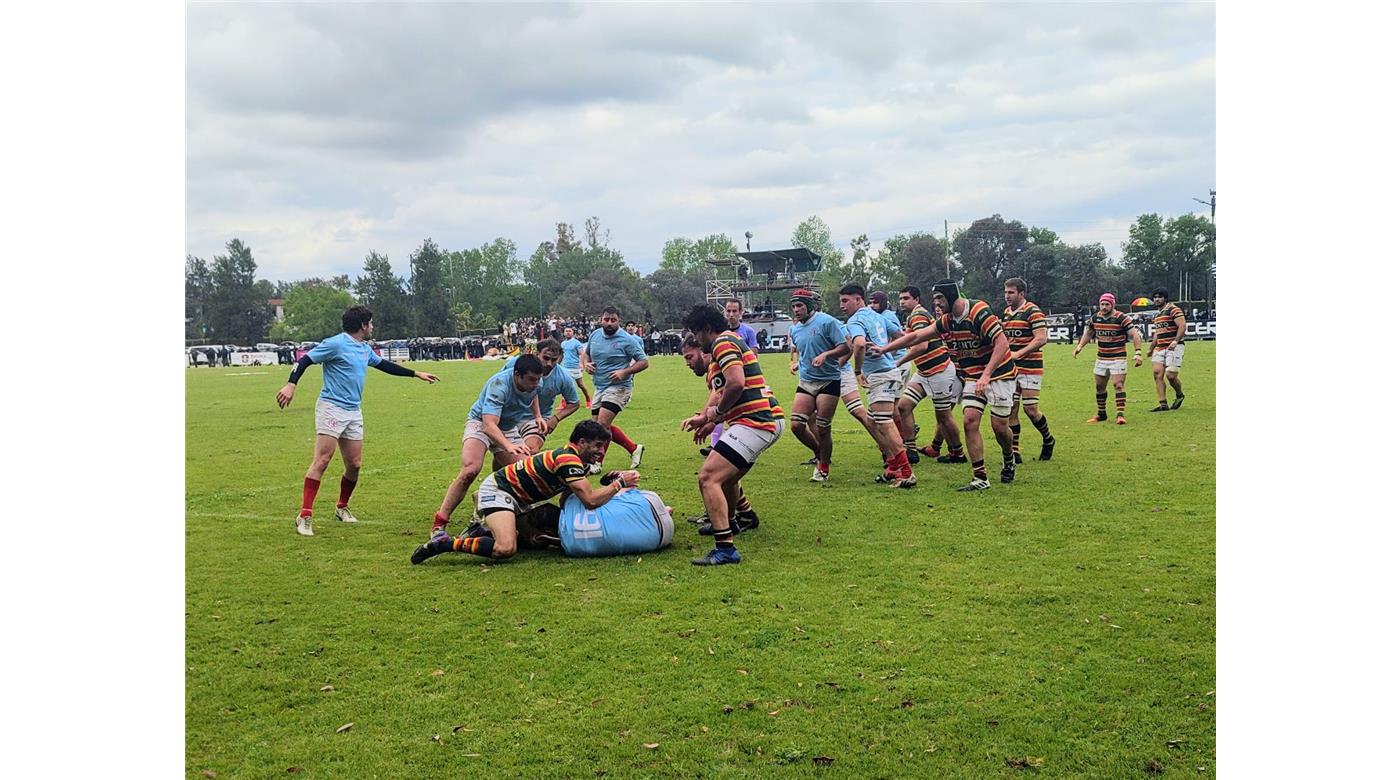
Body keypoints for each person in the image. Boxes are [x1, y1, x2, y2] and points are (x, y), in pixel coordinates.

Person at [276, 305, 440, 536]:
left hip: (353, 411)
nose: (372, 327)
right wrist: (291, 384)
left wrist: (415, 374)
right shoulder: (335, 343)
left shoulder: (364, 348)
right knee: (322, 460)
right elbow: (304, 361)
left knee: (354, 465)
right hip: (331, 408)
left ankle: (341, 507)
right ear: (363, 325)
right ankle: (304, 515)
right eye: (370, 323)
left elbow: (384, 366)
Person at [411, 420, 641, 563]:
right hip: (500, 492)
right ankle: (446, 544)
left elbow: (567, 499)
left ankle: (480, 530)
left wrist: (610, 479)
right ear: (581, 442)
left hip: (519, 500)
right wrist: (618, 484)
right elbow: (590, 501)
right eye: (598, 446)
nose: (602, 452)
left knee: (543, 536)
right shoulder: (568, 460)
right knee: (506, 548)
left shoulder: (577, 461)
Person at [874, 280, 1018, 491]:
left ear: (952, 295)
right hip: (972, 376)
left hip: (1000, 374)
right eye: (935, 299)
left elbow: (1002, 343)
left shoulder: (978, 310)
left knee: (999, 428)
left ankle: (1009, 457)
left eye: (940, 298)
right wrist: (883, 349)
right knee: (969, 420)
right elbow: (916, 336)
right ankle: (980, 478)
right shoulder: (947, 320)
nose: (937, 304)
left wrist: (986, 375)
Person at [679, 306, 783, 566]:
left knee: (708, 477)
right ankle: (733, 524)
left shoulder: (723, 342)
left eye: (696, 332)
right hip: (753, 421)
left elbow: (736, 383)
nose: (697, 339)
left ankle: (725, 549)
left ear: (705, 329)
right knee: (725, 479)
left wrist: (715, 413)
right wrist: (707, 418)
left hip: (754, 423)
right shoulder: (727, 343)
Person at [428, 353, 548, 536]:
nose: (535, 384)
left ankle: (499, 512)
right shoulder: (498, 385)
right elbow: (488, 425)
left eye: (538, 380)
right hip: (481, 423)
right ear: (517, 375)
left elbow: (534, 395)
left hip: (507, 427)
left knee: (525, 473)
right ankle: (439, 523)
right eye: (531, 380)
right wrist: (508, 446)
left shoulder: (536, 383)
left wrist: (538, 415)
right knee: (470, 470)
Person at [832, 283, 915, 488]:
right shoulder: (880, 317)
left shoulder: (855, 320)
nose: (842, 305)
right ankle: (894, 467)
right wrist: (887, 350)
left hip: (880, 375)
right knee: (874, 420)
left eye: (845, 300)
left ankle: (906, 473)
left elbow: (859, 344)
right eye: (840, 301)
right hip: (889, 372)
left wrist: (858, 371)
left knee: (884, 422)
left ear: (858, 299)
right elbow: (902, 338)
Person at [892, 286, 965, 467]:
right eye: (900, 298)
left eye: (906, 298)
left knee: (943, 416)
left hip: (938, 371)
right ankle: (910, 450)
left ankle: (958, 453)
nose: (902, 302)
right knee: (904, 406)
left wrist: (898, 362)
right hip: (925, 372)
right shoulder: (914, 316)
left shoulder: (918, 315)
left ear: (917, 299)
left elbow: (921, 346)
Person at [786, 288, 847, 482]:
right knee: (796, 425)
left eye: (800, 306)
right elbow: (802, 351)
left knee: (822, 427)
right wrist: (797, 363)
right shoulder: (794, 328)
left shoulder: (827, 322)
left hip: (829, 380)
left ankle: (824, 467)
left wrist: (826, 355)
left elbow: (846, 347)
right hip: (806, 381)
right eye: (794, 306)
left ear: (809, 306)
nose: (796, 309)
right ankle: (819, 452)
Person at [580, 306, 649, 472]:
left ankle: (596, 463)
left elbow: (644, 362)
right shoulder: (594, 335)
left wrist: (624, 372)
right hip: (600, 386)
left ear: (619, 321)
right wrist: (586, 364)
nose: (609, 323)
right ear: (600, 320)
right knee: (598, 426)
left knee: (602, 424)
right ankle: (634, 448)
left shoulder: (627, 339)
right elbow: (586, 353)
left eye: (613, 320)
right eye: (606, 319)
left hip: (620, 387)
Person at [1002, 277, 1055, 461]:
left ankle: (1048, 439)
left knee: (1031, 409)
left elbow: (1041, 339)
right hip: (1011, 368)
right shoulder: (1007, 313)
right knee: (1012, 408)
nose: (1007, 296)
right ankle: (1015, 451)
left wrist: (1019, 353)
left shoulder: (1033, 311)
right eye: (1006, 292)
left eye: (1011, 292)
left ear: (1021, 293)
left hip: (1031, 367)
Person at [497, 339, 582, 454]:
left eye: (554, 360)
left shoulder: (563, 377)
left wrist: (555, 419)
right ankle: (500, 472)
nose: (549, 364)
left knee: (530, 450)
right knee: (505, 454)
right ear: (537, 354)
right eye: (546, 358)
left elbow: (574, 403)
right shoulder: (517, 364)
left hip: (537, 419)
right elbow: (499, 383)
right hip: (510, 415)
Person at [1073, 293, 1144, 424]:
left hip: (1118, 357)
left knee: (1118, 385)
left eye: (1107, 304)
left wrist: (1138, 352)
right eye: (1102, 304)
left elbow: (1134, 335)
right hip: (1101, 357)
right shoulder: (1095, 318)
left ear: (1113, 305)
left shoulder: (1122, 318)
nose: (1104, 307)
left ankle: (1120, 415)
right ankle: (1101, 414)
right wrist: (1080, 346)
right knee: (1099, 387)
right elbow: (1089, 332)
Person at [705, 299, 761, 456]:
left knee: (731, 405)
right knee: (719, 403)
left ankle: (734, 441)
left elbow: (753, 353)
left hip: (742, 376)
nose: (731, 314)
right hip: (721, 376)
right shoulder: (719, 333)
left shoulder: (747, 332)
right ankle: (715, 443)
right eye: (728, 311)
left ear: (741, 313)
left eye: (734, 311)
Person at [1147, 287, 1188, 411]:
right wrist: (1151, 348)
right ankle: (1163, 404)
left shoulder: (1173, 309)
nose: (1157, 299)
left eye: (1159, 297)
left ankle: (1179, 395)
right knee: (1157, 374)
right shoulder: (1157, 314)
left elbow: (1182, 325)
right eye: (1155, 297)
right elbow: (1157, 332)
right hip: (1160, 348)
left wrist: (1175, 341)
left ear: (1165, 298)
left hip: (1174, 347)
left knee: (1170, 375)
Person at [559, 326, 592, 407]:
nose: (568, 332)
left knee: (581, 385)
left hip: (575, 367)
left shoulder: (576, 343)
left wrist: (581, 364)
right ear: (564, 333)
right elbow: (561, 355)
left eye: (570, 331)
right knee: (564, 386)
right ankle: (563, 404)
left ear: (573, 333)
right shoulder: (562, 343)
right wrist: (557, 364)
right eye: (566, 331)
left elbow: (582, 353)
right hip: (565, 368)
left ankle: (588, 399)